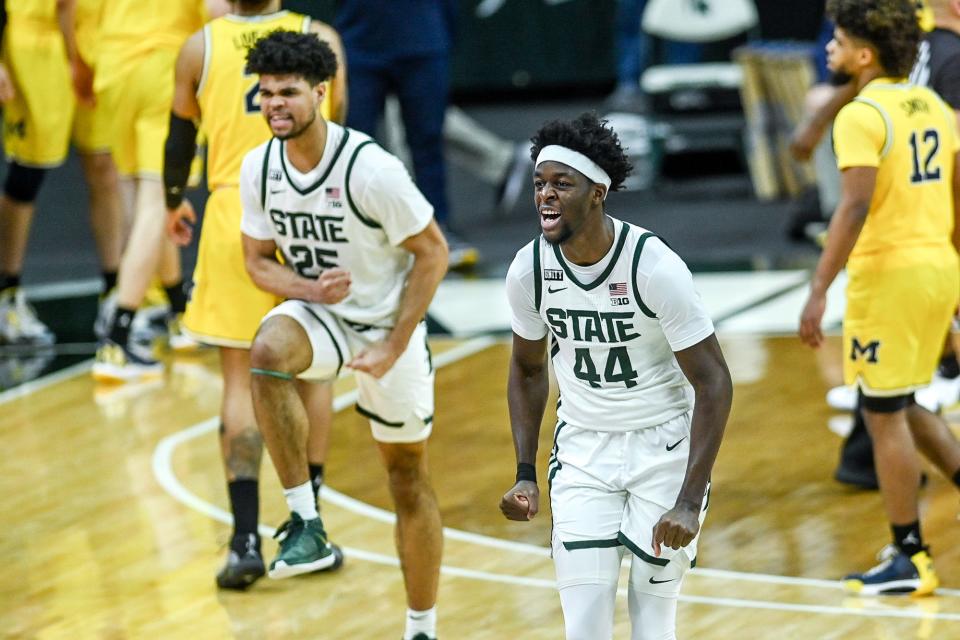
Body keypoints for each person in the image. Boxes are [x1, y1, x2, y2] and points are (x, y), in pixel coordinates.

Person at [239, 31, 448, 640]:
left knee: (407, 479)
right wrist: (309, 292)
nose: (274, 103)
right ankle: (307, 523)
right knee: (267, 350)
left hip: (388, 324)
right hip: (324, 317)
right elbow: (256, 261)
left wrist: (393, 344)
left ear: (322, 94)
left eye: (288, 92)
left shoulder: (372, 169)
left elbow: (432, 254)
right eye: (265, 92)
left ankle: (421, 627)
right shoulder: (260, 167)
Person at [500, 112, 731, 640]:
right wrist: (524, 473)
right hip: (583, 451)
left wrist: (689, 501)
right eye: (539, 184)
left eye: (562, 184)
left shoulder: (653, 266)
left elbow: (714, 382)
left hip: (663, 451)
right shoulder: (529, 269)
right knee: (584, 628)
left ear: (598, 192)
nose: (545, 196)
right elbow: (527, 367)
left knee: (652, 621)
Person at [164, 0, 347, 590]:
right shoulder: (318, 37)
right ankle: (307, 525)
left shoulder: (200, 46)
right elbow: (341, 131)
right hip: (305, 208)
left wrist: (173, 200)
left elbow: (178, 137)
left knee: (241, 382)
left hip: (230, 214)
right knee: (312, 374)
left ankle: (244, 540)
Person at [799, 0, 960, 597]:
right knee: (901, 400)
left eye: (837, 41)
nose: (829, 49)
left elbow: (854, 205)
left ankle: (909, 554)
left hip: (889, 277)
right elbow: (956, 195)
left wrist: (818, 288)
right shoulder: (936, 108)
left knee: (880, 412)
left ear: (865, 53)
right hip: (938, 267)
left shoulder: (861, 116)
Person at [88, 0, 227, 382]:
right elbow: (218, 9)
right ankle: (117, 336)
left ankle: (180, 311)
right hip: (164, 68)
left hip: (113, 67)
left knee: (154, 201)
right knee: (155, 203)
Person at [0, 0, 122, 345]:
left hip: (96, 39)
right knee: (26, 173)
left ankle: (115, 295)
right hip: (36, 43)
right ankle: (7, 294)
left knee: (104, 167)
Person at [334, 0, 478, 270]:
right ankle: (354, 232)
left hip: (424, 41)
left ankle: (438, 228)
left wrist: (442, 36)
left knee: (427, 141)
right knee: (354, 146)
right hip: (360, 43)